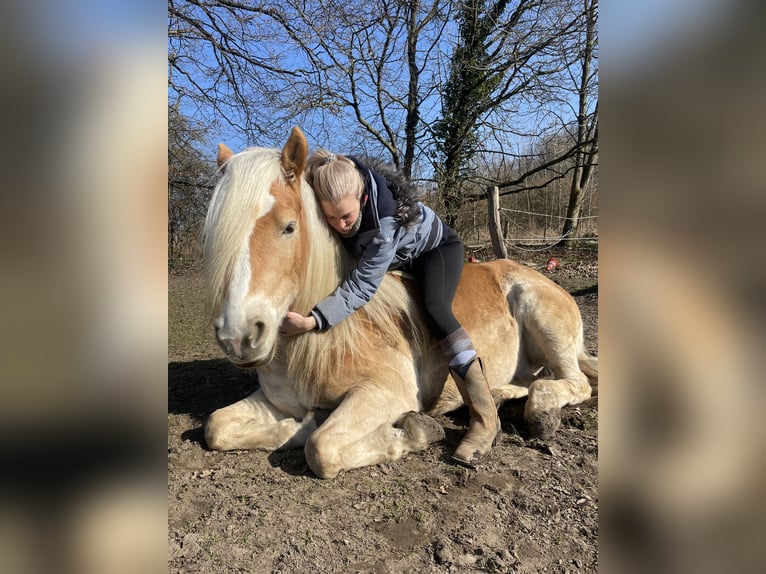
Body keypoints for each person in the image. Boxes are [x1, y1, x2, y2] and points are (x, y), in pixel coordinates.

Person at [280, 150, 500, 466]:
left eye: (346, 217)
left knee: (435, 307)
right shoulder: (336, 193)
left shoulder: (384, 227)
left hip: (432, 250)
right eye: (330, 218)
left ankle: (485, 418)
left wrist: (314, 321)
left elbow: (362, 286)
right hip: (396, 256)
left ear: (363, 198)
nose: (340, 225)